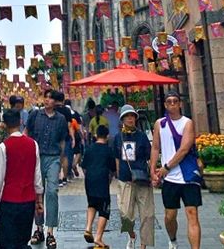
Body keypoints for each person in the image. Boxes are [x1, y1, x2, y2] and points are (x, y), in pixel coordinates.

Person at [151, 91, 202, 249]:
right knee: (169, 215)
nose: (172, 104)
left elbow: (184, 149)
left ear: (180, 104)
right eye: (169, 101)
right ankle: (172, 239)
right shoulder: (160, 124)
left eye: (175, 101)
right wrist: (153, 170)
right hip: (170, 179)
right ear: (165, 105)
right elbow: (155, 147)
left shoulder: (187, 123)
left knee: (192, 213)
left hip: (188, 175)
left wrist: (166, 167)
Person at [0, 109, 44, 249]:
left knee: (7, 242)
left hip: (9, 201)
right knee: (22, 240)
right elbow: (37, 176)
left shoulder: (4, 147)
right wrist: (39, 200)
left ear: (5, 125)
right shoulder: (33, 145)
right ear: (20, 122)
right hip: (28, 200)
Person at [25, 88, 69, 248]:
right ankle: (38, 229)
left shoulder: (61, 119)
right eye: (46, 97)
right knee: (38, 193)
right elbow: (26, 133)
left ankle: (50, 231)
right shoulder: (35, 115)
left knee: (52, 192)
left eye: (51, 98)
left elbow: (63, 141)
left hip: (53, 158)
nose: (47, 100)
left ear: (55, 101)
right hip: (36, 158)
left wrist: (61, 162)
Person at [113, 104, 154, 249]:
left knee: (147, 215)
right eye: (127, 117)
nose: (130, 119)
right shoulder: (118, 138)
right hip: (125, 180)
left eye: (132, 116)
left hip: (142, 179)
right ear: (122, 119)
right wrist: (118, 176)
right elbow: (117, 158)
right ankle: (131, 235)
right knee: (125, 214)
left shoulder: (142, 136)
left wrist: (153, 174)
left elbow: (150, 157)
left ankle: (143, 245)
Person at [81, 124, 113, 248]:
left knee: (92, 204)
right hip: (102, 181)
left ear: (95, 136)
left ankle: (88, 228)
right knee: (104, 210)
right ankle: (98, 238)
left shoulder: (89, 148)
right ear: (107, 136)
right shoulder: (108, 150)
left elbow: (84, 167)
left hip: (89, 181)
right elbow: (112, 169)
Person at [53, 91, 73, 187]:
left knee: (56, 157)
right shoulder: (67, 110)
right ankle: (64, 177)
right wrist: (73, 137)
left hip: (54, 136)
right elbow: (70, 125)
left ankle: (58, 178)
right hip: (66, 136)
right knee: (65, 157)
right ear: (63, 99)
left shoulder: (52, 109)